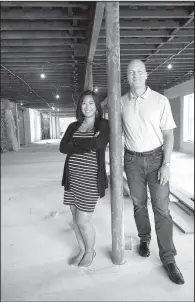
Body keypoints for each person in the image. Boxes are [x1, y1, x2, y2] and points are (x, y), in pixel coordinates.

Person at [121, 59, 184, 285]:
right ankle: (144, 239)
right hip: (132, 160)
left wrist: (166, 163)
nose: (135, 75)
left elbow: (168, 135)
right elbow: (114, 133)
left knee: (162, 209)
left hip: (157, 159)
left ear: (146, 75)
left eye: (139, 71)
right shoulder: (121, 103)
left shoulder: (160, 100)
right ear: (127, 77)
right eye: (130, 72)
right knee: (138, 205)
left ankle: (168, 258)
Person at [59, 90, 109, 267]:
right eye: (83, 103)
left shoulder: (103, 124)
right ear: (80, 106)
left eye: (91, 103)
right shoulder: (74, 126)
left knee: (83, 219)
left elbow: (98, 144)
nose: (87, 106)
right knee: (74, 214)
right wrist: (85, 144)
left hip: (90, 179)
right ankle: (82, 248)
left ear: (96, 106)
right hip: (73, 177)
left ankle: (90, 251)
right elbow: (63, 148)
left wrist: (76, 143)